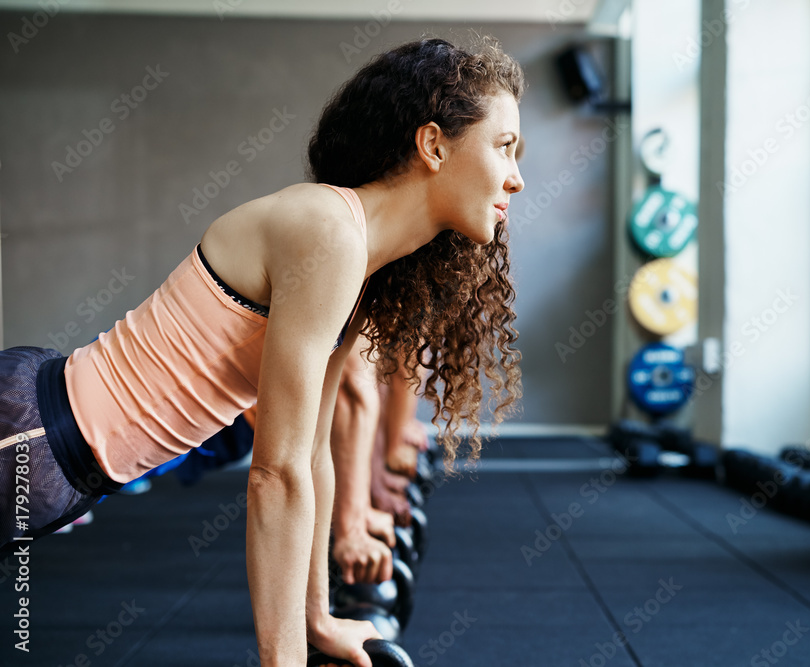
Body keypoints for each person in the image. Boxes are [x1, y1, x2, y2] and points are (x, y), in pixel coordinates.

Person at [0, 35, 524, 666]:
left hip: (61, 465)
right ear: (434, 144)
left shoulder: (359, 263)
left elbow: (313, 454)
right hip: (30, 437)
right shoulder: (328, 232)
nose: (517, 178)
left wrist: (316, 619)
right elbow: (274, 475)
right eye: (505, 147)